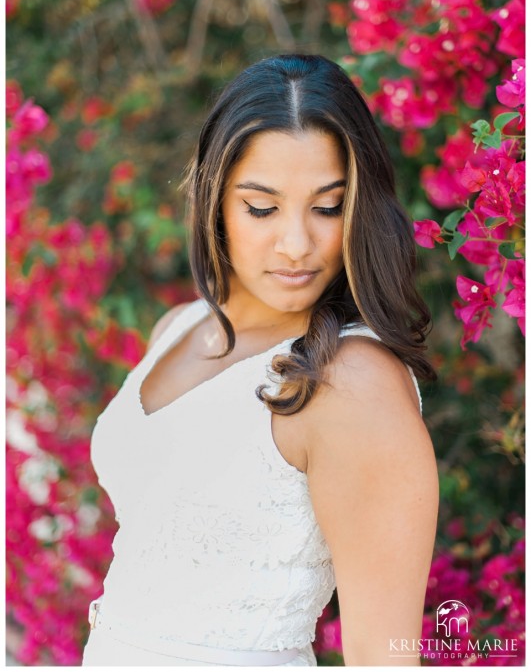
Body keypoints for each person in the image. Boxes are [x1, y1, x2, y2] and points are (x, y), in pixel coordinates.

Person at [82, 53, 439, 667]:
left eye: (327, 206)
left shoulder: (351, 381)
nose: (296, 244)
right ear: (216, 199)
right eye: (262, 207)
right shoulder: (181, 327)